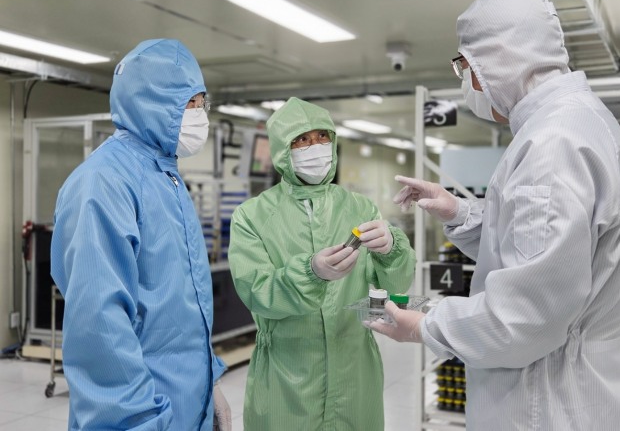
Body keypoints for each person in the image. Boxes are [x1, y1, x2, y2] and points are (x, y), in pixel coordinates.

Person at [369, 0, 620, 430]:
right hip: (587, 389)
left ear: (499, 59)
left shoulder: (552, 145)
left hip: (547, 400)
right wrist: (459, 212)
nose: (468, 83)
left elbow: (523, 318)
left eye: (466, 67)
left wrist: (425, 324)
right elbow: (553, 251)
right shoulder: (587, 123)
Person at [50, 39, 229, 430]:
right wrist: (140, 421)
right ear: (152, 101)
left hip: (186, 406)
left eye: (202, 102)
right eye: (189, 102)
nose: (199, 114)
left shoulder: (166, 177)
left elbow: (181, 308)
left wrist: (209, 383)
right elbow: (100, 330)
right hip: (142, 416)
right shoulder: (104, 182)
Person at [228, 96, 416, 430]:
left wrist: (391, 251)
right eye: (301, 139)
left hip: (355, 373)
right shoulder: (252, 216)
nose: (315, 147)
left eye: (322, 136)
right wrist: (310, 273)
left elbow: (394, 288)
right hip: (287, 376)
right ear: (283, 150)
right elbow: (257, 292)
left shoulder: (360, 208)